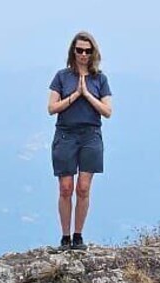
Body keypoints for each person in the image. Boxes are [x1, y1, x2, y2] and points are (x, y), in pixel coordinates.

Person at [47, 31, 113, 251]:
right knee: (66, 187)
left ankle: (78, 236)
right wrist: (75, 95)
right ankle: (65, 237)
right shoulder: (61, 77)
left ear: (93, 53)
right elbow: (51, 108)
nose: (83, 54)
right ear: (73, 52)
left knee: (83, 188)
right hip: (66, 134)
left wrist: (87, 94)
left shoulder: (100, 79)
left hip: (90, 135)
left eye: (87, 50)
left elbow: (107, 111)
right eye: (79, 50)